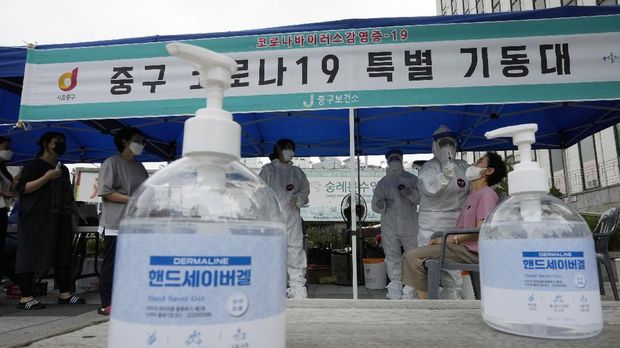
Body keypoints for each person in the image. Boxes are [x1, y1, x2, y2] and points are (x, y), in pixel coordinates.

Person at [402, 152, 507, 299]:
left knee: (412, 257)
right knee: (418, 255)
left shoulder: (487, 195)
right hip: (462, 248)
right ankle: (426, 301)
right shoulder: (472, 195)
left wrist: (449, 240)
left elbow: (481, 231)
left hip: (471, 252)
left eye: (479, 162)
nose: (473, 165)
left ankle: (425, 306)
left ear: (488, 171)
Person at [15, 132, 85, 310]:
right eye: (57, 142)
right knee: (30, 255)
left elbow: (68, 196)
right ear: (46, 144)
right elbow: (23, 189)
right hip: (35, 218)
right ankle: (26, 297)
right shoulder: (32, 165)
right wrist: (47, 177)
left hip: (60, 217)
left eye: (63, 142)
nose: (60, 145)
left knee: (63, 254)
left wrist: (79, 213)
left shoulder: (64, 169)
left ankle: (65, 293)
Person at [97, 127, 149, 315]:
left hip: (135, 224)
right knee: (112, 264)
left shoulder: (139, 166)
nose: (141, 143)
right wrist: (132, 200)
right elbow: (106, 191)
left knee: (132, 264)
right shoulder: (112, 163)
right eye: (137, 139)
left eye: (142, 140)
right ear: (124, 142)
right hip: (115, 223)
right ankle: (106, 303)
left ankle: (127, 298)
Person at [417, 124, 469, 299]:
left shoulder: (463, 167)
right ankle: (419, 300)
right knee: (425, 262)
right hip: (432, 222)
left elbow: (472, 189)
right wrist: (444, 177)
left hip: (455, 221)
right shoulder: (428, 168)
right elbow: (429, 188)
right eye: (443, 143)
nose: (448, 148)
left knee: (453, 265)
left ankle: (452, 298)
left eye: (451, 143)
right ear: (434, 146)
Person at [259, 138, 310, 299]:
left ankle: (297, 287)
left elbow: (305, 192)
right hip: (273, 218)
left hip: (292, 216)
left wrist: (299, 198)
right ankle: (273, 287)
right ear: (278, 149)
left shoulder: (297, 172)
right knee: (273, 252)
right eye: (287, 148)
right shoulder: (268, 170)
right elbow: (260, 194)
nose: (290, 152)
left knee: (295, 251)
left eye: (292, 149)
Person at [371, 149, 420, 300]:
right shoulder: (383, 183)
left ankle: (413, 286)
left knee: (413, 253)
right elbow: (374, 205)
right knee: (392, 254)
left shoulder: (412, 179)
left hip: (409, 220)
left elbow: (420, 199)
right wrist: (380, 204)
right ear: (387, 161)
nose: (394, 160)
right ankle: (395, 286)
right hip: (389, 220)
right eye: (391, 158)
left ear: (401, 159)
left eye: (396, 158)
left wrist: (409, 193)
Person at [0, 137, 15, 281]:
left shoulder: (4, 169)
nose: (9, 151)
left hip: (3, 210)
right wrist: (7, 193)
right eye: (5, 147)